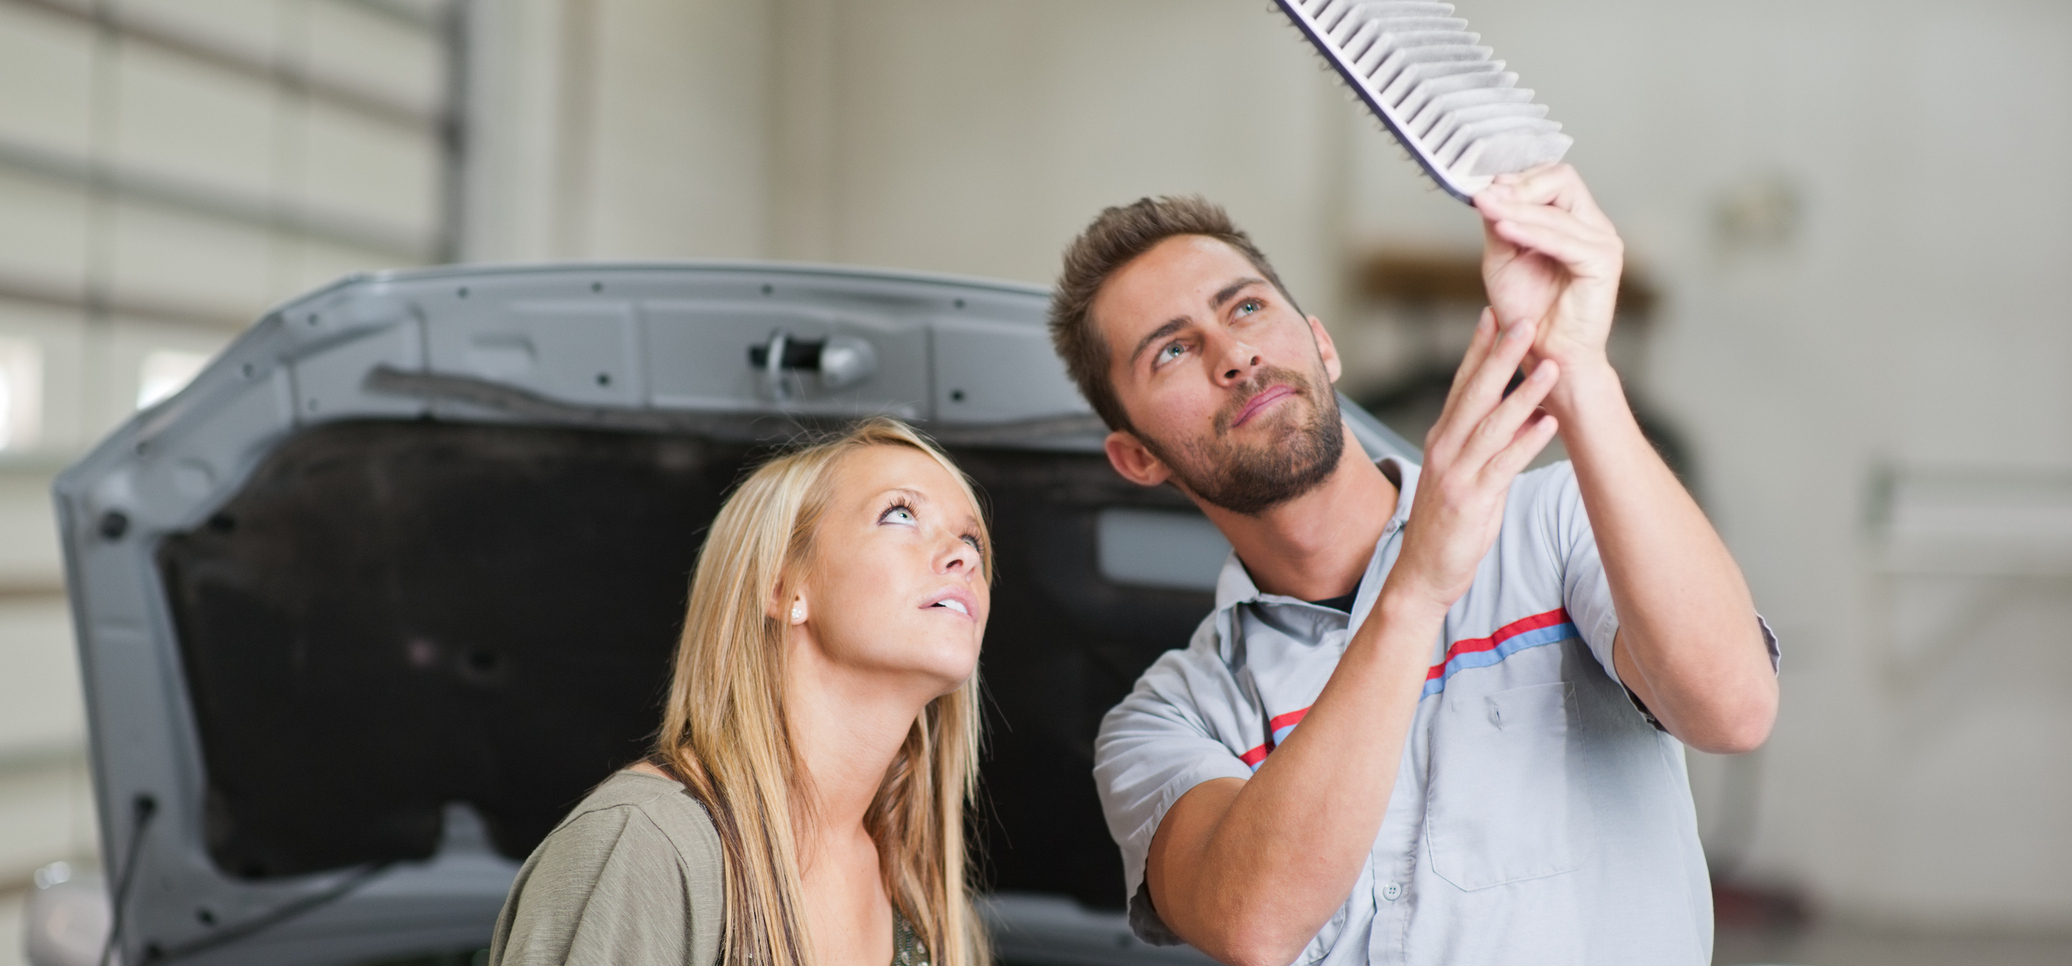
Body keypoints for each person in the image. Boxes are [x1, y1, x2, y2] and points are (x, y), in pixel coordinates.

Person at [1053, 165, 1780, 965]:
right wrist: (1417, 587)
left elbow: (1733, 710)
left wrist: (1579, 370)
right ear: (1136, 458)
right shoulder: (1170, 718)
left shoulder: (1559, 522)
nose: (1235, 355)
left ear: (1321, 344)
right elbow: (1252, 922)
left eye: (1248, 307)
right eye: (1173, 352)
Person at [488, 418, 994, 966]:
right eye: (900, 514)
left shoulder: (920, 902)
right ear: (781, 586)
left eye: (972, 540)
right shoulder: (646, 845)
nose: (963, 556)